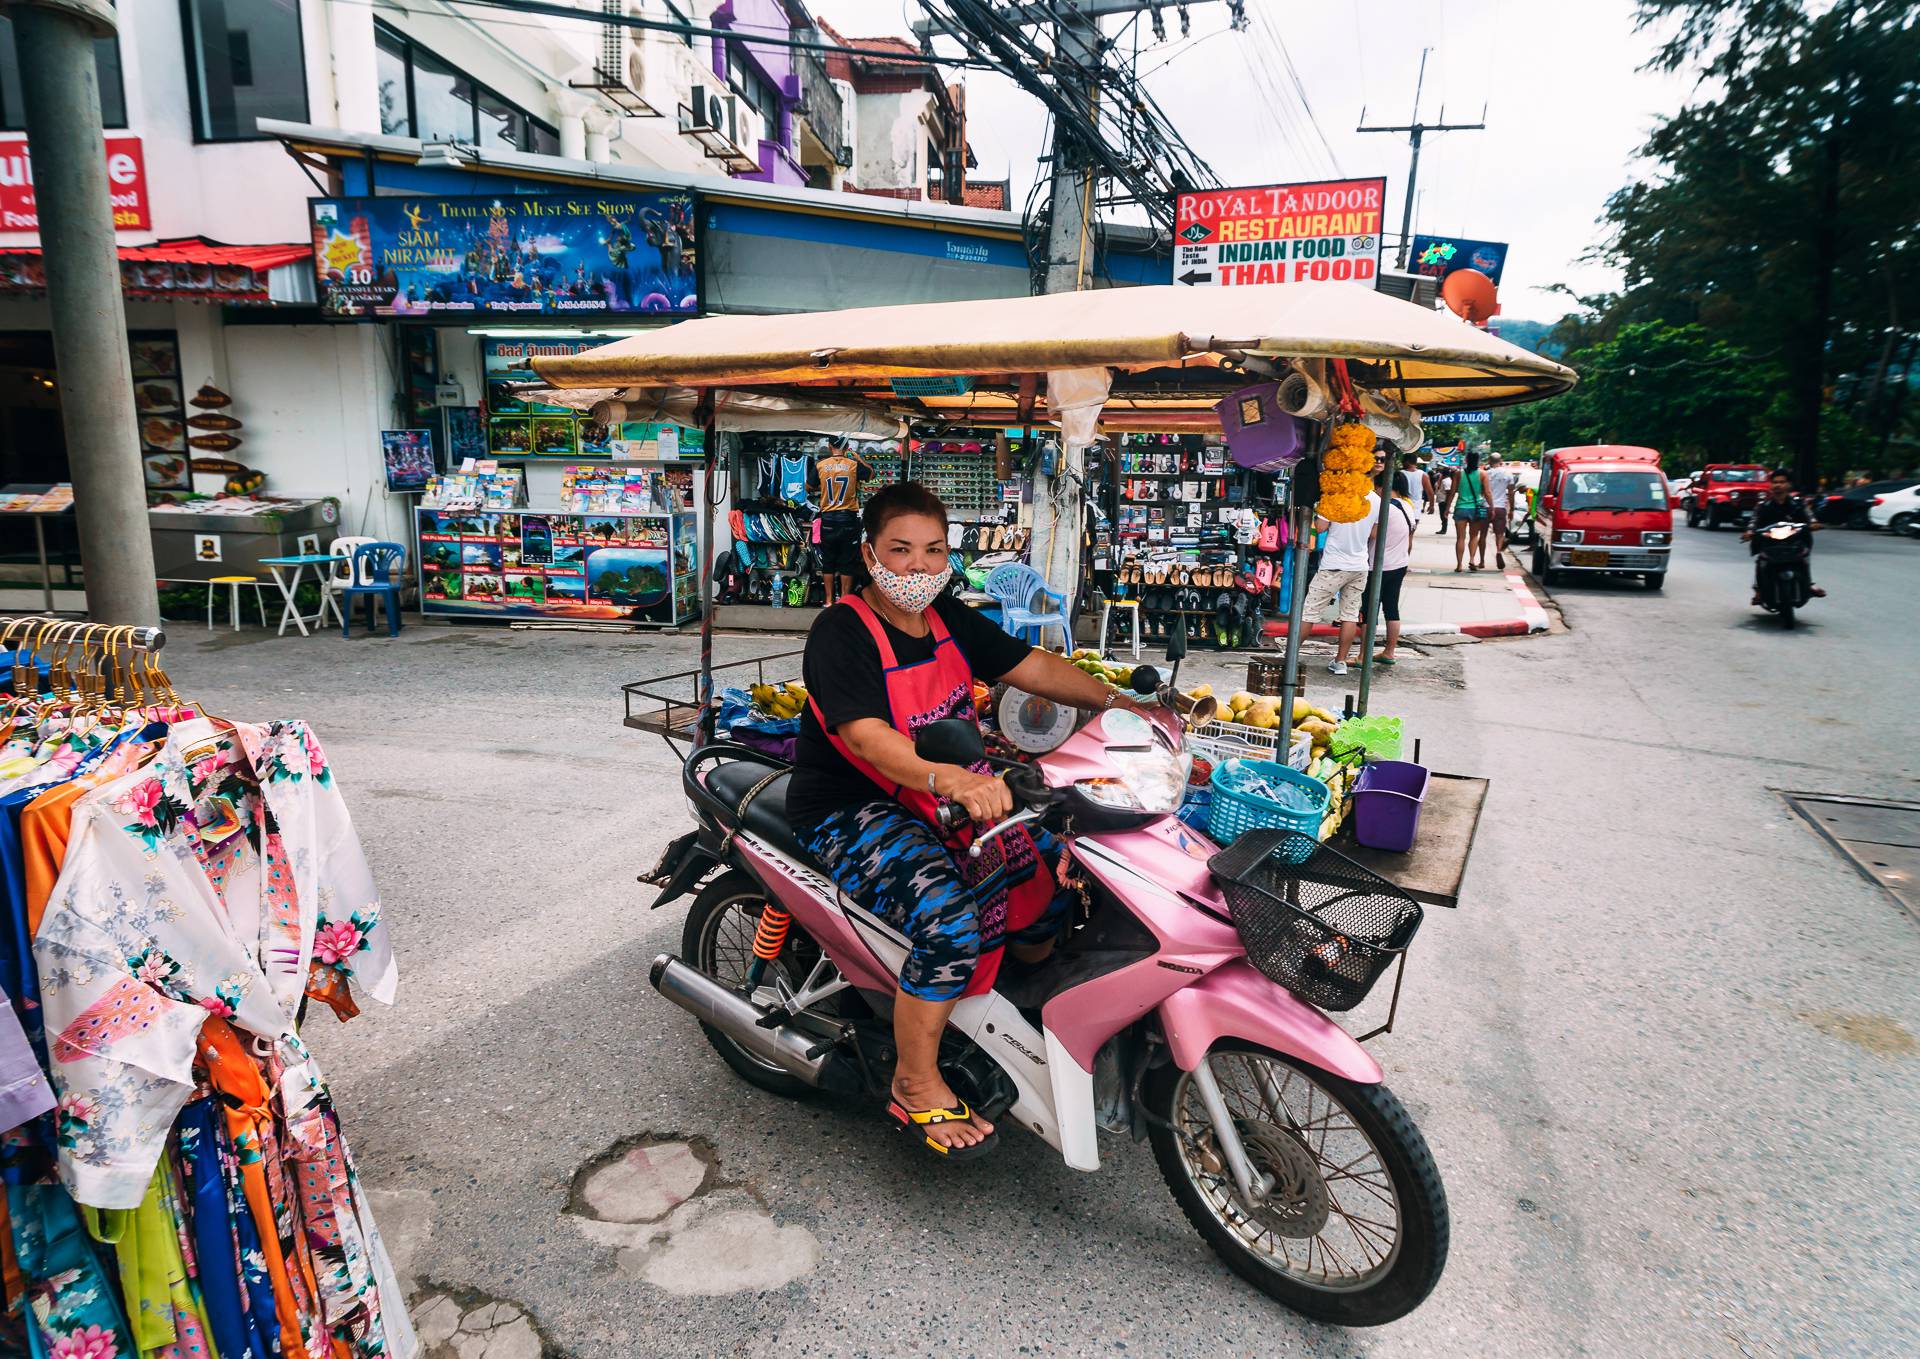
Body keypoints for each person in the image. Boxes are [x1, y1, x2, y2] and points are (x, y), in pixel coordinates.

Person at [789, 482, 1146, 1157]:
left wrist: (1119, 701)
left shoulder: (949, 617)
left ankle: (1008, 1003)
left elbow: (1030, 663)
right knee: (948, 919)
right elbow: (866, 736)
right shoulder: (841, 631)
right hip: (851, 803)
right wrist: (946, 776)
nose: (919, 566)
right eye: (901, 549)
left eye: (933, 550)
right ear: (869, 554)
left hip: (942, 789)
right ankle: (916, 1079)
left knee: (1044, 880)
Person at [1301, 485, 1379, 675]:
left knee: (1309, 611)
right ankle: (1340, 661)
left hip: (1333, 565)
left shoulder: (1336, 495)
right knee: (1350, 615)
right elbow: (1374, 534)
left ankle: (1290, 654)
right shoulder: (1376, 500)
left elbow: (1320, 527)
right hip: (1359, 565)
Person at [807, 437, 874, 607]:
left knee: (828, 561)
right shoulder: (853, 465)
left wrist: (822, 485)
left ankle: (828, 601)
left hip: (828, 520)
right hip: (848, 520)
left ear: (830, 446)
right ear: (847, 447)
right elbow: (871, 473)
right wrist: (857, 457)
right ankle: (844, 600)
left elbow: (808, 487)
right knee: (847, 561)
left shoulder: (821, 465)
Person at [1743, 469, 1827, 603]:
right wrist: (1749, 532)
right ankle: (1759, 590)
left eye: (1782, 482)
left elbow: (1810, 516)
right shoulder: (1763, 506)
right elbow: (1754, 521)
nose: (1778, 485)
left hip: (1794, 541)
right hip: (1770, 542)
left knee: (1804, 557)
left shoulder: (1799, 503)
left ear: (1789, 485)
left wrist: (1813, 523)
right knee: (1761, 560)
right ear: (1771, 485)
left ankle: (1809, 584)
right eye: (1775, 482)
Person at [1373, 470, 1419, 666]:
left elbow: (1372, 534)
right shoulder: (1408, 507)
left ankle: (1362, 655)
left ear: (1383, 487)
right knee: (1391, 609)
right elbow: (1409, 541)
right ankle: (1389, 651)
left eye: (1376, 487)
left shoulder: (1385, 508)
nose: (1374, 491)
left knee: (1368, 610)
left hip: (1378, 566)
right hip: (1399, 563)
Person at [1452, 451, 1492, 570]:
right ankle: (1472, 560)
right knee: (1474, 536)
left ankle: (1459, 565)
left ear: (1466, 460)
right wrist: (1492, 507)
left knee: (1460, 538)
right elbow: (1487, 492)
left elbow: (1452, 492)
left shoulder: (1458, 474)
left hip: (1460, 507)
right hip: (1476, 508)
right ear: (1478, 460)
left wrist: (1447, 507)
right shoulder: (1483, 474)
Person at [1484, 451, 1516, 569]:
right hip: (1501, 507)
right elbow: (1511, 493)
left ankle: (1481, 560)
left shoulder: (1485, 474)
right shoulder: (1508, 474)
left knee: (1482, 534)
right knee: (1500, 533)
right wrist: (1512, 509)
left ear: (1489, 461)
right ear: (1501, 461)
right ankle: (1498, 551)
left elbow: (1482, 491)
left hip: (1486, 506)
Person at [1432, 462, 1456, 532]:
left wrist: (1447, 502)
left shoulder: (1446, 481)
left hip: (1444, 500)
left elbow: (1448, 491)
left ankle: (1444, 529)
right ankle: (1443, 528)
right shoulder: (1444, 480)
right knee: (1442, 515)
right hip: (1442, 500)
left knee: (1443, 515)